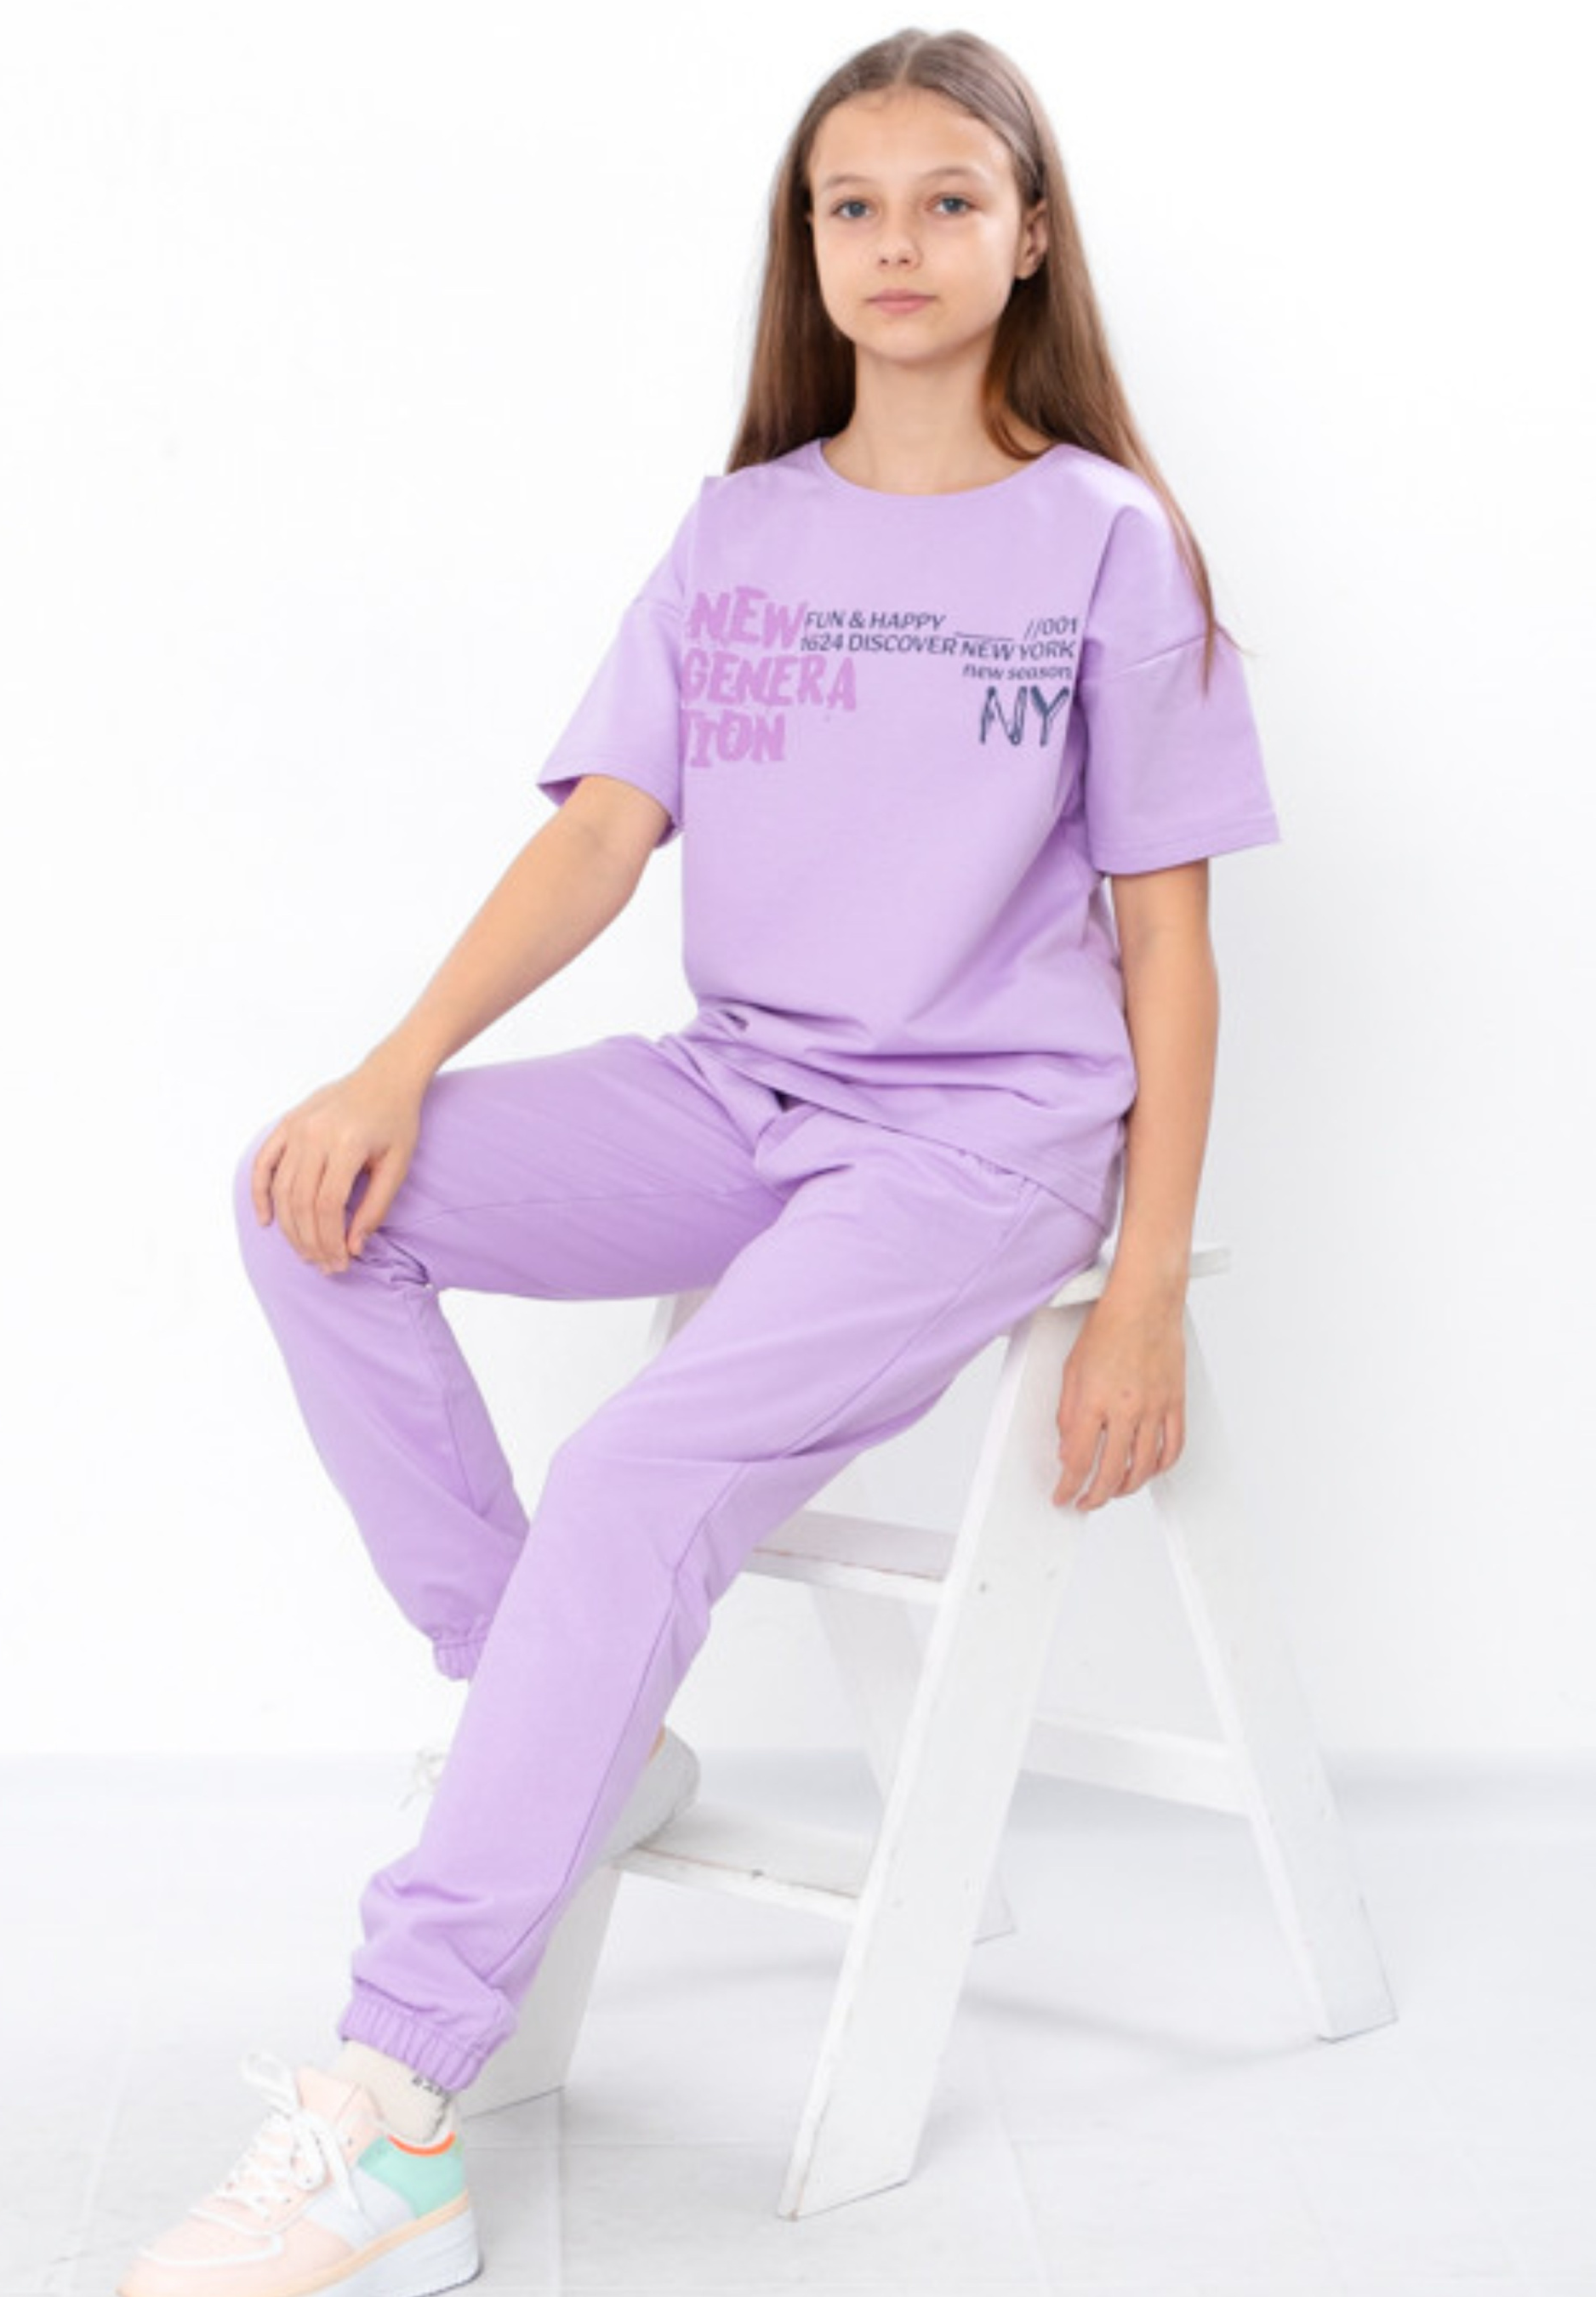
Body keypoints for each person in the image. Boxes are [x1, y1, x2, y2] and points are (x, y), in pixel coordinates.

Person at [118, 24, 1280, 2296]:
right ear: (805, 245)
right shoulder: (738, 526)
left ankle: (393, 2111)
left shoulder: (1103, 539)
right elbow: (602, 836)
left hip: (980, 1143)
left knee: (638, 1476)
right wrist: (394, 1067)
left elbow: (1170, 938)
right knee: (310, 1198)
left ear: (1029, 236)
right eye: (851, 205)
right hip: (742, 1088)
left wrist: (1141, 1282)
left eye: (948, 199)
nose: (895, 242)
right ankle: (557, 1704)